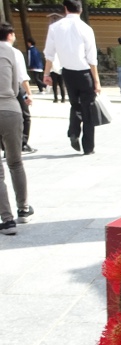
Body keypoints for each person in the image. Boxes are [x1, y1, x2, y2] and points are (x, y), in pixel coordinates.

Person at [42, 0, 102, 156]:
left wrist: (47, 74)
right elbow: (92, 58)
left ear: (65, 9)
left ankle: (74, 132)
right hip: (85, 73)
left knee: (75, 105)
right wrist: (96, 81)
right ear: (80, 10)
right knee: (88, 109)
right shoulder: (86, 28)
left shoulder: (54, 28)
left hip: (67, 72)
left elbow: (49, 54)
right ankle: (88, 147)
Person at [0, 23, 33, 236]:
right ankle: (23, 209)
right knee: (15, 162)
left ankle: (7, 220)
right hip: (11, 108)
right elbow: (17, 83)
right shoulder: (12, 52)